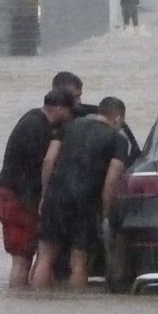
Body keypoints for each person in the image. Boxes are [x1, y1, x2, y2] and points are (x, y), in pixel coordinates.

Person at [32, 96, 131, 290]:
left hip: (56, 197)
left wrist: (45, 194)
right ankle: (77, 307)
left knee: (45, 256)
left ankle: (38, 304)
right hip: (85, 201)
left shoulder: (69, 126)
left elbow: (48, 161)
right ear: (118, 118)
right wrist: (106, 210)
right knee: (79, 260)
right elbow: (112, 179)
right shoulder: (118, 139)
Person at [0, 88, 74, 288]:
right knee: (22, 257)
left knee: (22, 255)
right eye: (68, 111)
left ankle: (23, 302)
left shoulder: (31, 118)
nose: (70, 116)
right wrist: (41, 201)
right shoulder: (38, 128)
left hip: (8, 195)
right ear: (58, 108)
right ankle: (19, 299)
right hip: (18, 198)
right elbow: (39, 166)